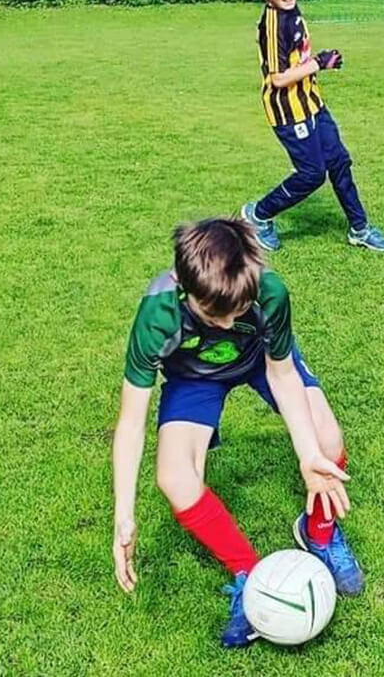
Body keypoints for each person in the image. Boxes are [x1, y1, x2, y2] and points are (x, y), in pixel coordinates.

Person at [110, 217, 366, 647]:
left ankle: (318, 532)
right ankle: (249, 573)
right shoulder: (157, 313)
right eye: (215, 313)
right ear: (183, 285)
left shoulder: (269, 292)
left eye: (239, 311)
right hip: (195, 379)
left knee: (327, 441)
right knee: (174, 477)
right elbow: (132, 420)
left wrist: (307, 455)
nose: (228, 324)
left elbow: (283, 375)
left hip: (260, 361)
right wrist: (124, 514)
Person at [239, 0, 384, 253]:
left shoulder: (292, 10)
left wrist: (318, 60)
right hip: (288, 111)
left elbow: (299, 59)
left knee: (339, 161)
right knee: (312, 174)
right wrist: (319, 64)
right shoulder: (273, 26)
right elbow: (279, 79)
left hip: (312, 102)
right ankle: (258, 215)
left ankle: (359, 228)